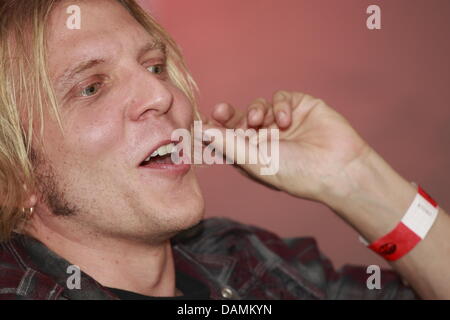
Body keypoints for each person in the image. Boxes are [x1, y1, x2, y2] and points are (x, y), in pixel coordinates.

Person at [0, 0, 448, 300]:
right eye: (90, 88)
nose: (160, 93)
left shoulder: (241, 258)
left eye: (155, 66)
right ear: (12, 181)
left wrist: (354, 179)